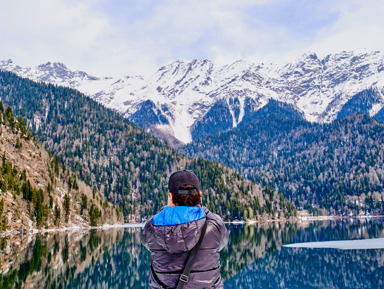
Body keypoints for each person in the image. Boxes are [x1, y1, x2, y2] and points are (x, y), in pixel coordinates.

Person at [141, 170, 229, 289]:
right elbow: (222, 244)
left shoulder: (152, 227)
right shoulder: (214, 225)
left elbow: (147, 243)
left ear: (170, 196)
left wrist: (166, 211)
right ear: (199, 195)